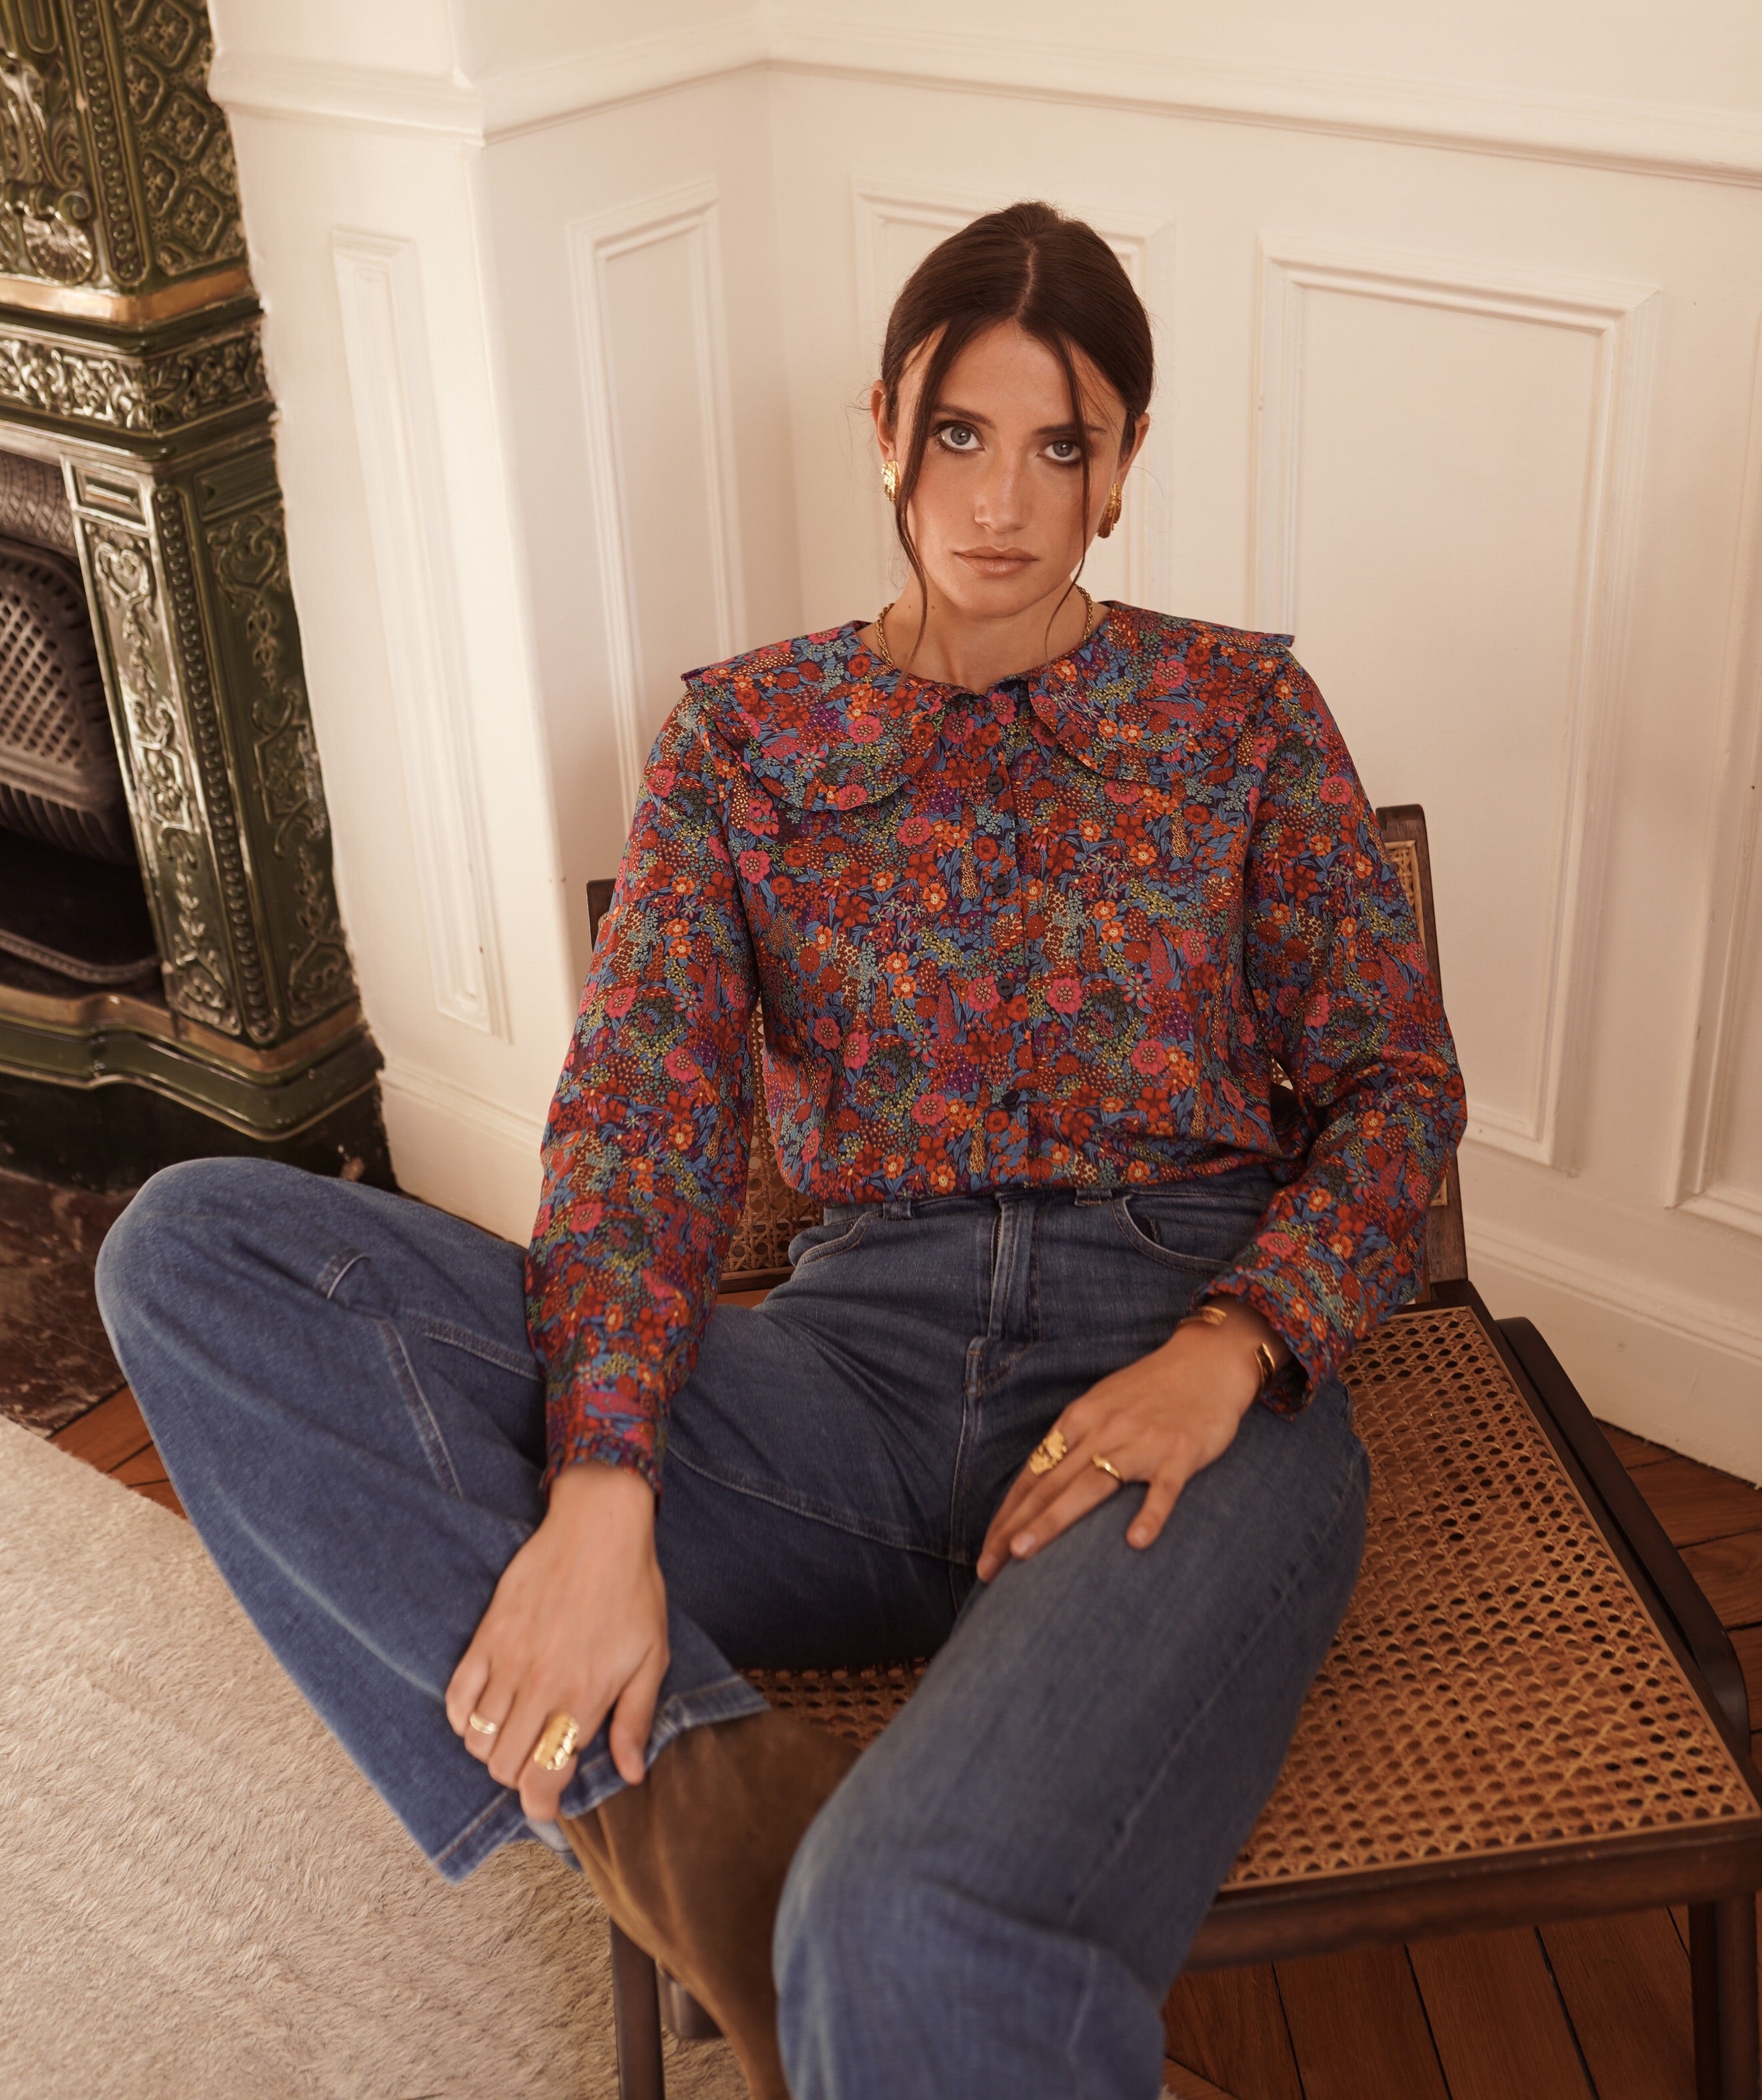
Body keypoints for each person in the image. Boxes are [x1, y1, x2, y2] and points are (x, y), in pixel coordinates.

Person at [98, 203, 1465, 2100]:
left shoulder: (1244, 715)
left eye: (1059, 444)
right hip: (845, 1394)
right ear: (886, 423)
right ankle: (704, 1806)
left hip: (1174, 1388)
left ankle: (838, 1926)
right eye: (961, 432)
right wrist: (605, 1490)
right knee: (194, 1253)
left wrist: (1230, 1350)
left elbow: (1399, 1090)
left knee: (906, 1918)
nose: (1002, 498)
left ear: (1124, 462)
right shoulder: (746, 741)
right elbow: (641, 1129)